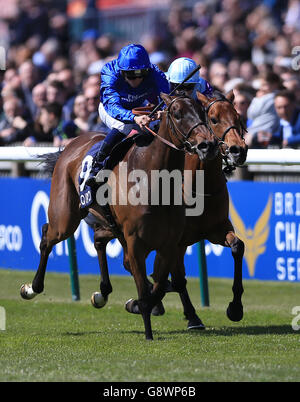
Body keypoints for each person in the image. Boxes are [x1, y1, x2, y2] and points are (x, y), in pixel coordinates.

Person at [86, 43, 170, 187]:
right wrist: (134, 118)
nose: (134, 80)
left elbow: (167, 96)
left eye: (139, 74)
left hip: (137, 107)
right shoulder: (109, 72)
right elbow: (112, 106)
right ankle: (97, 166)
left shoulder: (155, 73)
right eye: (128, 75)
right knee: (125, 127)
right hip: (111, 110)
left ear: (147, 69)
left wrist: (163, 110)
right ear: (121, 71)